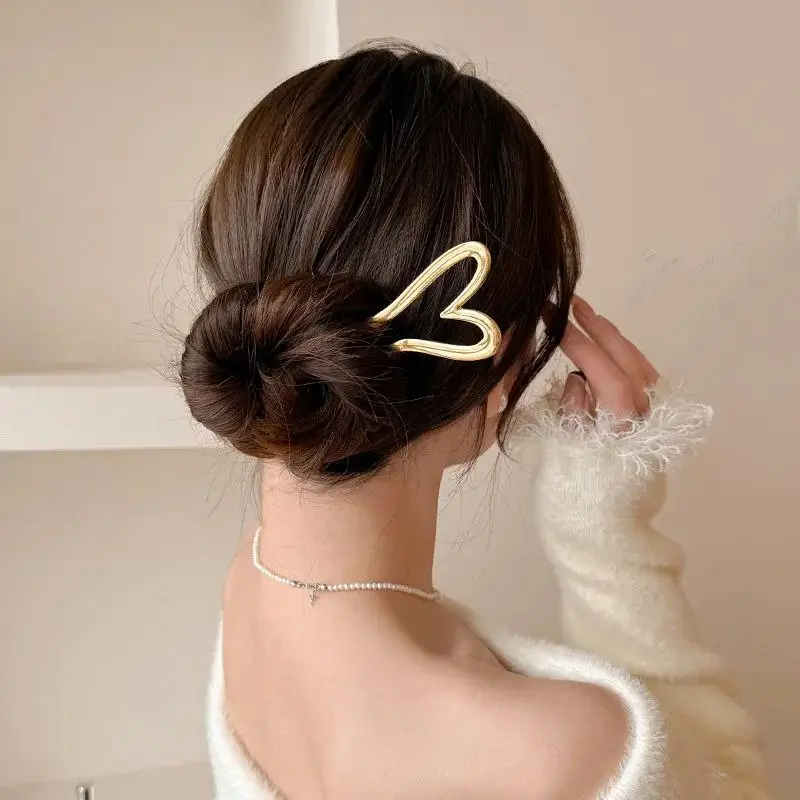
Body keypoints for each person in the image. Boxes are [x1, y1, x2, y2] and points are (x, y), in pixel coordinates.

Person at [179, 44, 770, 800]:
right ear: (496, 355)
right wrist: (608, 530)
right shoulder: (566, 752)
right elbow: (727, 780)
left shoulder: (249, 586)